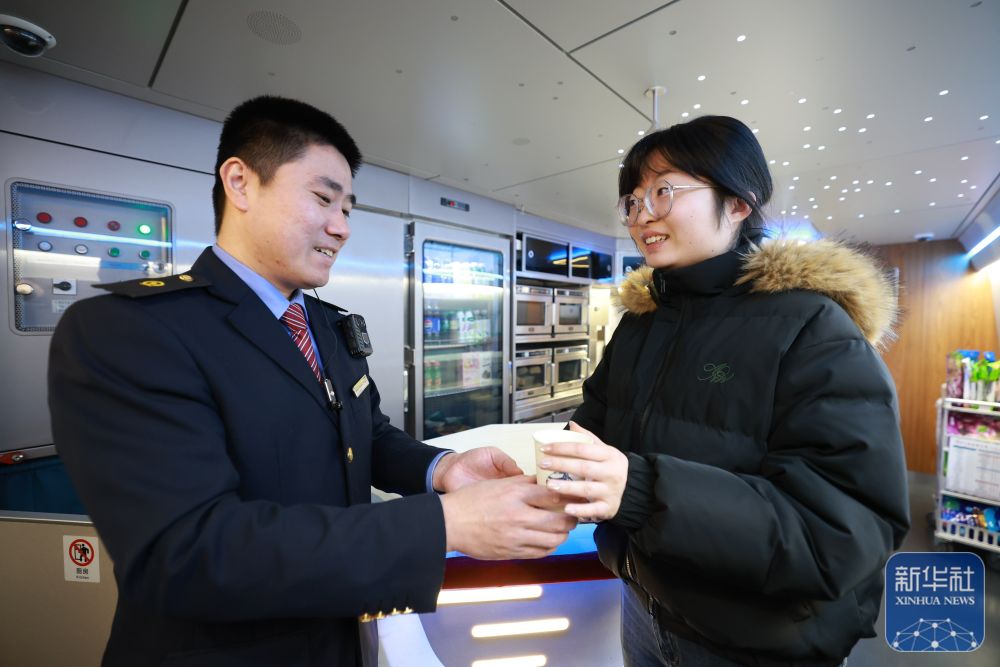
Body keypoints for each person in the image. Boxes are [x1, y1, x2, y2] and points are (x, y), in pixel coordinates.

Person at [47, 95, 575, 667]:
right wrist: (444, 524)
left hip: (340, 639)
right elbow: (187, 551)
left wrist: (440, 469)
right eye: (323, 199)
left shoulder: (326, 324)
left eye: (348, 208)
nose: (340, 227)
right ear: (240, 183)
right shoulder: (132, 329)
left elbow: (364, 434)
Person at [537, 115, 910, 666]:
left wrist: (640, 491)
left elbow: (841, 533)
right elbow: (595, 428)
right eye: (633, 200)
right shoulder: (641, 322)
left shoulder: (811, 328)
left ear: (738, 202)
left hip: (759, 639)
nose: (642, 215)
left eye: (663, 191)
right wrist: (555, 468)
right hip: (643, 606)